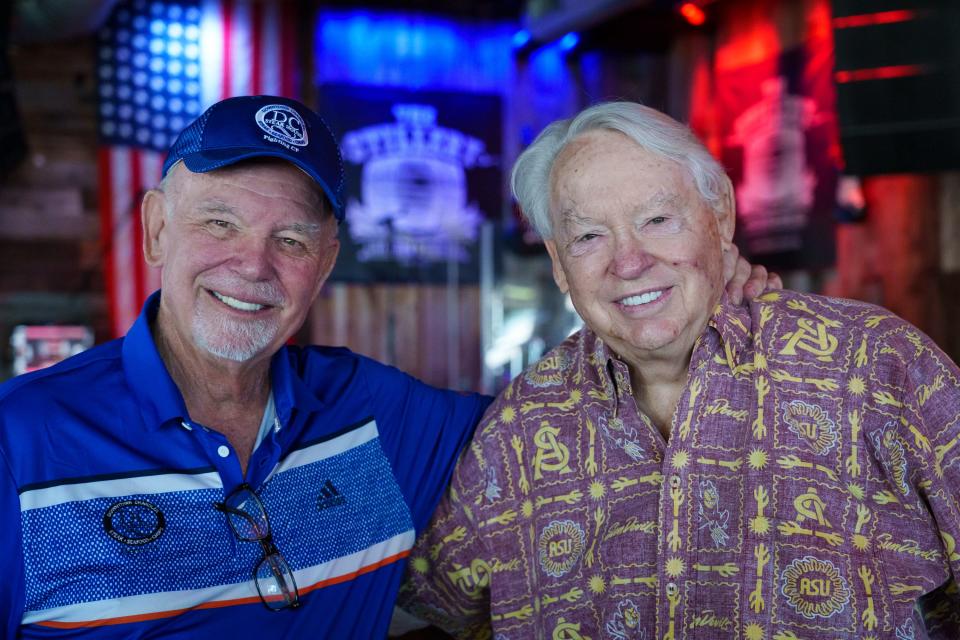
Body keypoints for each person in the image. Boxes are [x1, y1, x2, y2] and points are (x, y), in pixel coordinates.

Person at [0, 95, 771, 639]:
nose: (253, 266)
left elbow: (569, 409)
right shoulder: (21, 438)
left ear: (327, 261)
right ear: (156, 229)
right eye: (219, 222)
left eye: (293, 240)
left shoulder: (378, 417)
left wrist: (699, 293)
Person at [399, 101, 960, 639]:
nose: (629, 261)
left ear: (720, 219)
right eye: (589, 236)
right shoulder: (522, 423)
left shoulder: (876, 365)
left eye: (658, 219)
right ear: (559, 263)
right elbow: (423, 601)